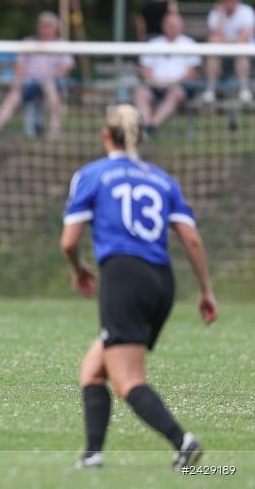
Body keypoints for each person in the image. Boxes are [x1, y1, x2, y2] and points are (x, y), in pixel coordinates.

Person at [60, 104, 218, 471]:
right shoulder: (164, 181)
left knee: (127, 380)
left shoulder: (92, 175)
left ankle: (183, 442)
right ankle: (92, 454)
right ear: (142, 137)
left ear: (104, 135)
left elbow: (69, 241)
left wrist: (79, 268)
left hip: (123, 276)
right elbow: (191, 240)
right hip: (162, 281)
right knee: (93, 369)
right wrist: (206, 290)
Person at [0, 12, 74, 139]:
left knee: (49, 86)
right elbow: (19, 66)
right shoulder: (28, 42)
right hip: (29, 83)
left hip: (52, 84)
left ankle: (54, 129)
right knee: (14, 95)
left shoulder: (62, 45)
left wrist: (49, 77)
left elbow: (64, 68)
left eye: (48, 26)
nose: (45, 29)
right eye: (43, 26)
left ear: (55, 28)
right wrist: (17, 84)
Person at [135, 13, 201, 134]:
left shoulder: (190, 44)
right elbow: (145, 69)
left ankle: (152, 126)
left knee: (176, 93)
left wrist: (173, 83)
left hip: (179, 87)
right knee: (141, 92)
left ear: (181, 26)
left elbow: (192, 72)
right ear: (163, 26)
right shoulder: (153, 44)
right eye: (169, 25)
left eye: (175, 25)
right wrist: (155, 82)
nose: (172, 28)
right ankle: (145, 126)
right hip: (154, 86)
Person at [203, 0, 254, 104]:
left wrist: (223, 41)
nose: (230, 2)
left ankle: (244, 89)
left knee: (241, 50)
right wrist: (221, 17)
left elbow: (244, 38)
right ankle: (210, 90)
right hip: (222, 57)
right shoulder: (215, 14)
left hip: (245, 57)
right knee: (213, 52)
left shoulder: (247, 12)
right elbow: (213, 39)